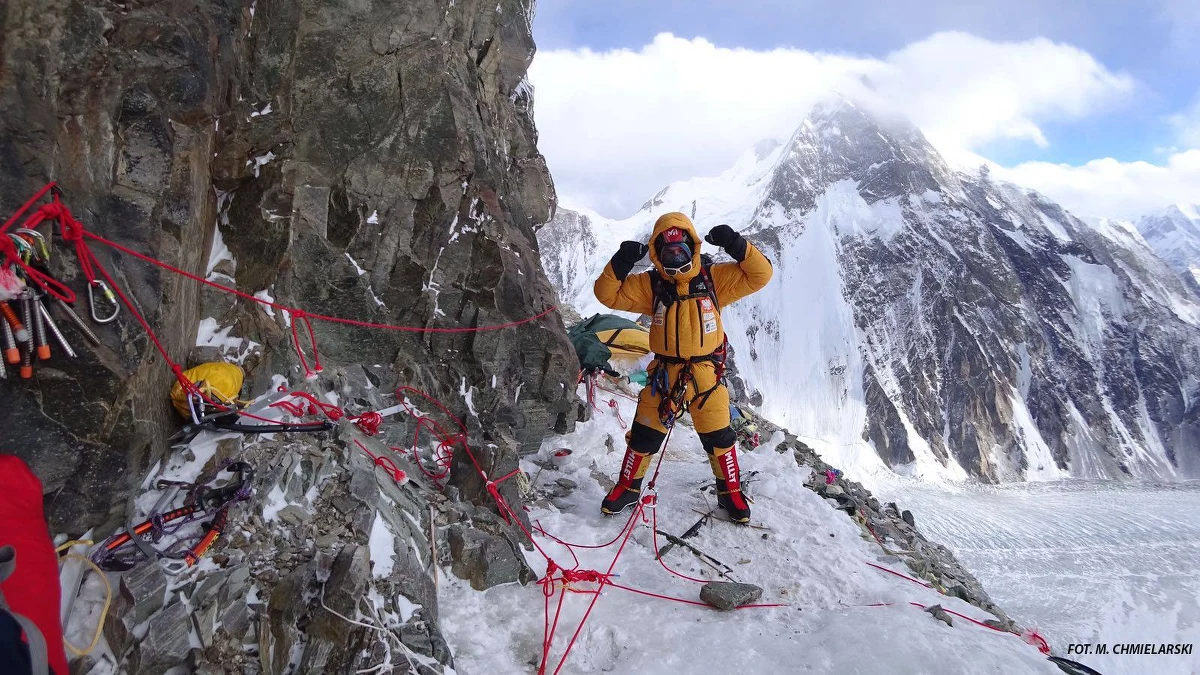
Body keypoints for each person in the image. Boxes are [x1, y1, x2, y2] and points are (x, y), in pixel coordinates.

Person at [593, 213, 772, 522]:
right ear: (657, 253)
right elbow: (607, 294)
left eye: (681, 250)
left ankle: (730, 493)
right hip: (664, 374)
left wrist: (735, 244)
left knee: (719, 437)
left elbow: (760, 274)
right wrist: (621, 262)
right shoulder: (652, 284)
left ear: (693, 247)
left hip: (705, 375)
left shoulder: (714, 278)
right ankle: (627, 488)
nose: (676, 257)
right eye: (669, 252)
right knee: (644, 435)